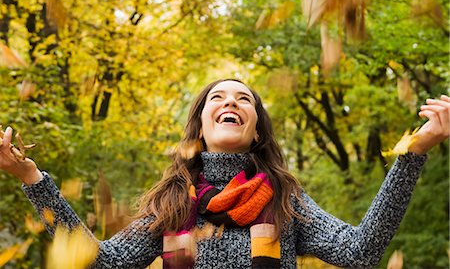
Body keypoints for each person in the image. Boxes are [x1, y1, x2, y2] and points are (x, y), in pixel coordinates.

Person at [0, 79, 449, 269]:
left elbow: (359, 252)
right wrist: (33, 180)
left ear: (256, 131)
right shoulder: (172, 203)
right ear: (200, 126)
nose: (231, 102)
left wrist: (412, 154)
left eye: (244, 99)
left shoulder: (283, 199)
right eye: (218, 97)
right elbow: (103, 263)